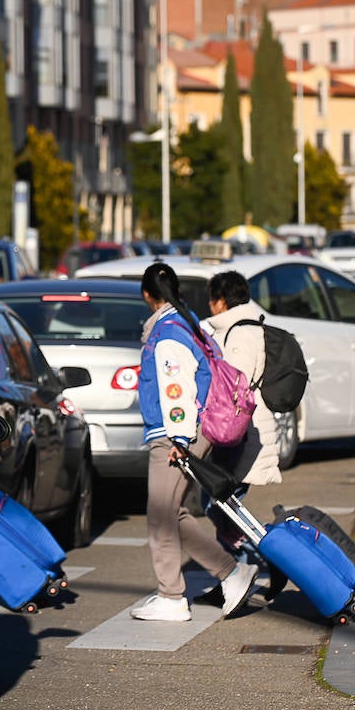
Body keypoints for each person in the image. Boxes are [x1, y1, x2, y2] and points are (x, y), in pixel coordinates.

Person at [130, 262, 255, 622]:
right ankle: (232, 573)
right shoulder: (190, 324)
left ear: (147, 295)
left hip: (176, 434)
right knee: (171, 513)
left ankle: (173, 596)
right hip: (193, 431)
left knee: (160, 516)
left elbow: (176, 389)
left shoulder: (167, 333)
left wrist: (179, 439)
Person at [200, 270, 283, 492]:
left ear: (221, 302)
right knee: (225, 504)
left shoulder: (240, 333)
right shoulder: (244, 327)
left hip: (238, 429)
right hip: (242, 427)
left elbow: (235, 385)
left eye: (211, 299)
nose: (209, 305)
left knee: (221, 502)